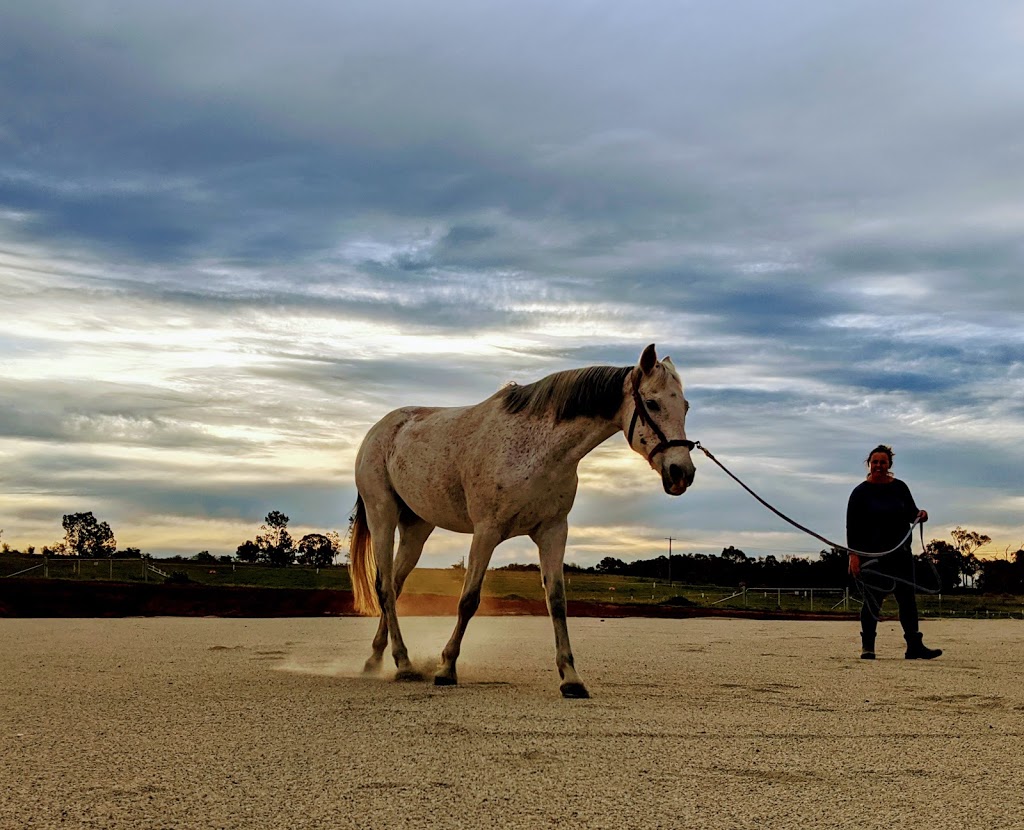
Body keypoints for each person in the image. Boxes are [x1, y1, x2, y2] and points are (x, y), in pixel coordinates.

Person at [847, 444, 941, 660]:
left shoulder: (900, 487)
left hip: (901, 554)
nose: (879, 466)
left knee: (907, 600)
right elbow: (852, 526)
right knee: (872, 601)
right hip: (872, 556)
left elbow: (911, 513)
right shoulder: (859, 493)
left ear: (889, 464)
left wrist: (921, 514)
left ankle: (914, 646)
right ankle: (868, 647)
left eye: (883, 462)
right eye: (875, 462)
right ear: (869, 464)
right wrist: (853, 556)